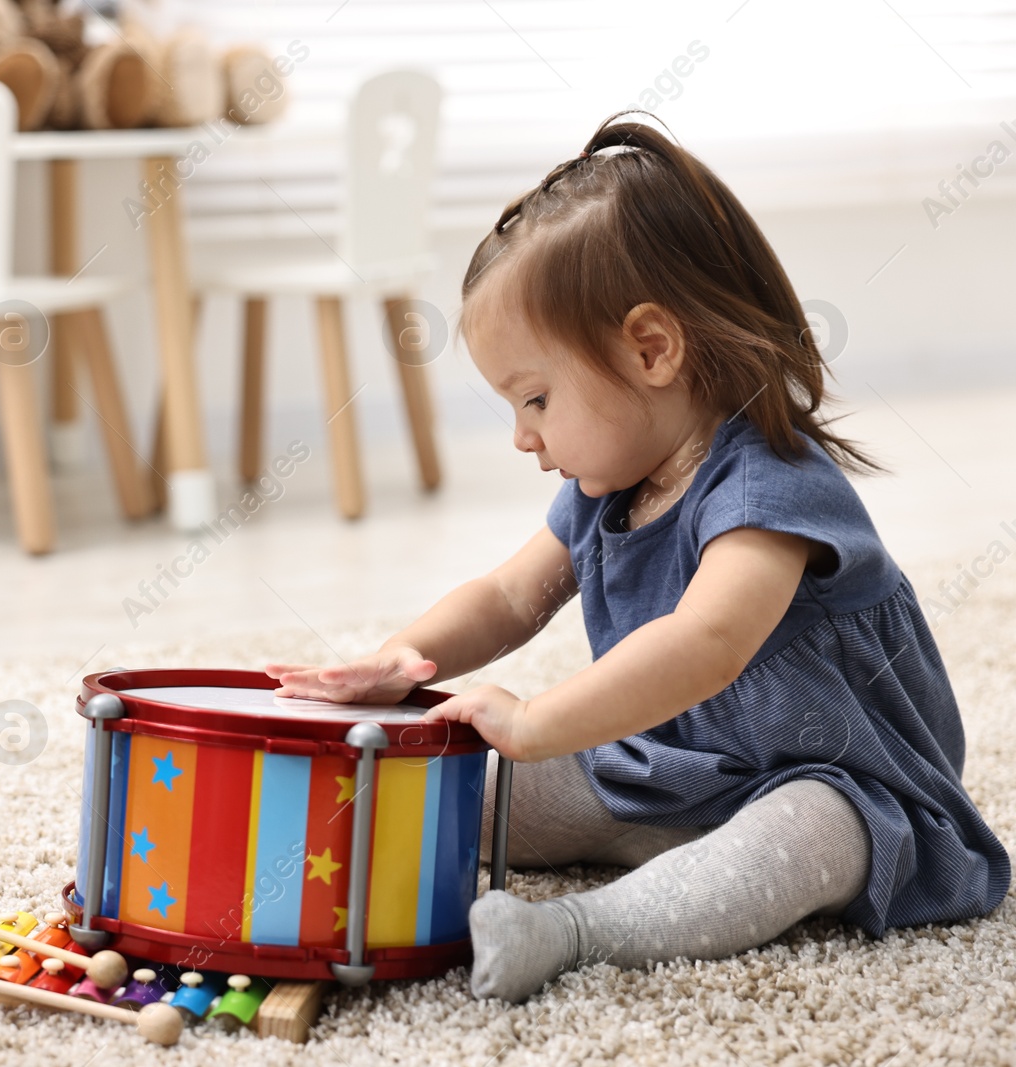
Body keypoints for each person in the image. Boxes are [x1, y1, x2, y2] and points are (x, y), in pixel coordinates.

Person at [266, 114, 1010, 1002]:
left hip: (845, 782)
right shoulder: (604, 490)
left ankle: (578, 930)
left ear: (652, 349)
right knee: (473, 786)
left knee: (812, 829)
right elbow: (509, 595)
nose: (521, 436)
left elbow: (708, 641)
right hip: (667, 774)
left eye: (536, 398)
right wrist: (404, 656)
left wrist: (539, 717)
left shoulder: (771, 485)